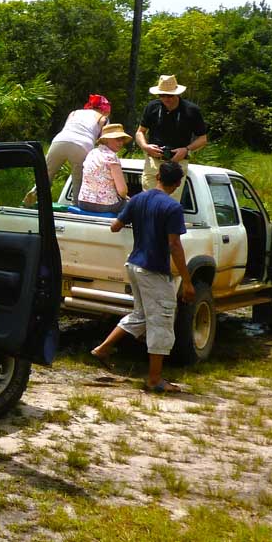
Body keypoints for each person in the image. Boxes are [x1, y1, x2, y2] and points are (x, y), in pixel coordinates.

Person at [90, 161, 195, 393]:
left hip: (134, 264)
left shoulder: (137, 199)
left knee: (141, 315)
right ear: (178, 183)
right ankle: (155, 379)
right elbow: (175, 245)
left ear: (157, 175)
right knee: (162, 320)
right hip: (154, 271)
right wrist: (187, 281)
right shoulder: (172, 208)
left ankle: (103, 348)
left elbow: (115, 227)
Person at [24, 94, 111, 206]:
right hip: (82, 144)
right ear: (103, 108)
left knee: (47, 173)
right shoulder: (103, 118)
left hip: (59, 141)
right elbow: (104, 139)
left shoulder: (74, 113)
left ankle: (35, 191)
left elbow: (68, 127)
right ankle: (76, 203)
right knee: (78, 178)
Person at [134, 74, 208, 201]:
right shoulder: (152, 107)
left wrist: (186, 149)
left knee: (169, 204)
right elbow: (140, 132)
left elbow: (203, 138)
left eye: (170, 95)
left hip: (177, 164)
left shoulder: (191, 110)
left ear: (177, 94)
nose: (166, 99)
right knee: (148, 202)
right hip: (153, 162)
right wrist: (145, 147)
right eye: (162, 95)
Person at [76, 123, 131, 214]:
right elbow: (122, 190)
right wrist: (127, 197)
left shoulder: (92, 153)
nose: (121, 143)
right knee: (136, 207)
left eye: (122, 140)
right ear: (106, 140)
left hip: (83, 202)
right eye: (117, 139)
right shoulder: (111, 157)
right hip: (106, 205)